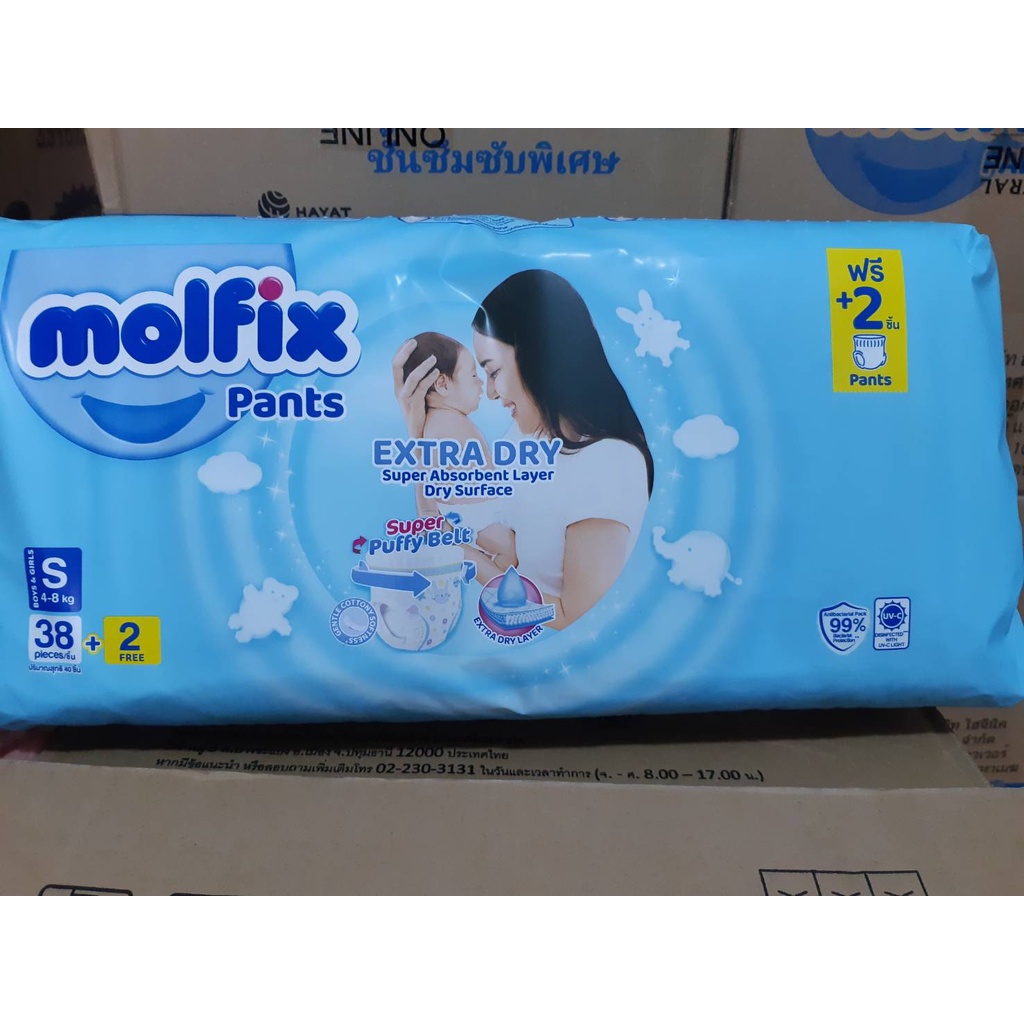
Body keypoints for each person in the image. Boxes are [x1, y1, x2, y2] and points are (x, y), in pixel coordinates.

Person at [393, 270, 653, 630]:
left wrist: (463, 555)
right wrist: (418, 427)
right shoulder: (530, 435)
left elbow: (574, 618)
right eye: (480, 375)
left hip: (557, 658)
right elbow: (441, 507)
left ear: (542, 357)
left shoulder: (609, 464)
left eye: (493, 372)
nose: (491, 393)